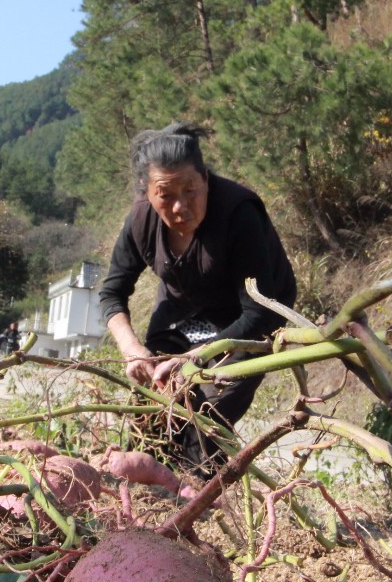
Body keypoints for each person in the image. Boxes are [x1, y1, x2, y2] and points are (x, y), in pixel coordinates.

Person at [98, 122, 297, 472]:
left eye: (190, 190)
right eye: (166, 194)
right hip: (182, 311)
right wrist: (133, 351)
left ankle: (197, 499)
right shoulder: (140, 222)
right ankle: (144, 499)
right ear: (147, 191)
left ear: (205, 178)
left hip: (250, 317)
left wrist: (195, 359)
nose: (180, 206)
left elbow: (259, 310)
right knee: (153, 414)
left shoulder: (239, 214)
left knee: (203, 416)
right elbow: (113, 292)